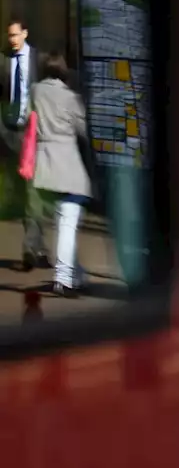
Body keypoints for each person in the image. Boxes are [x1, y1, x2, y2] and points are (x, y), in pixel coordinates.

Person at [30, 54, 92, 297]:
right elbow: (83, 129)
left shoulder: (36, 91)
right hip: (68, 166)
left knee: (64, 221)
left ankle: (76, 274)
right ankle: (63, 278)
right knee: (68, 222)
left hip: (45, 164)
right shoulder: (70, 97)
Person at [1, 17, 49, 271]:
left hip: (33, 134)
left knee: (33, 193)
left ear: (25, 33)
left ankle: (31, 248)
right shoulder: (4, 61)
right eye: (9, 36)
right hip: (11, 135)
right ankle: (39, 249)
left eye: (16, 35)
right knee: (24, 194)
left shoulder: (38, 60)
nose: (13, 40)